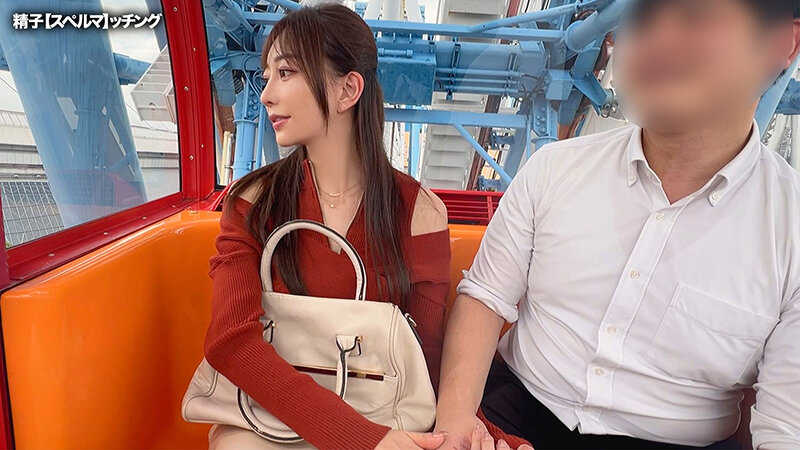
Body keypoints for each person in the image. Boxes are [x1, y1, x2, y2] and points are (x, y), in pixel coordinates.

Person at [434, 0, 800, 449]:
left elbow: (785, 428)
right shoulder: (553, 169)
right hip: (519, 409)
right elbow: (486, 298)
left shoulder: (791, 229)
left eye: (695, 16)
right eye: (641, 19)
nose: (658, 39)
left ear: (782, 43)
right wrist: (456, 424)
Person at [201, 4, 453, 449]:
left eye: (286, 72)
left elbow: (427, 361)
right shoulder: (254, 201)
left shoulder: (420, 213)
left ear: (347, 89)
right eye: (266, 76)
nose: (266, 94)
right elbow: (229, 341)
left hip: (382, 417)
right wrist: (359, 440)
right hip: (266, 422)